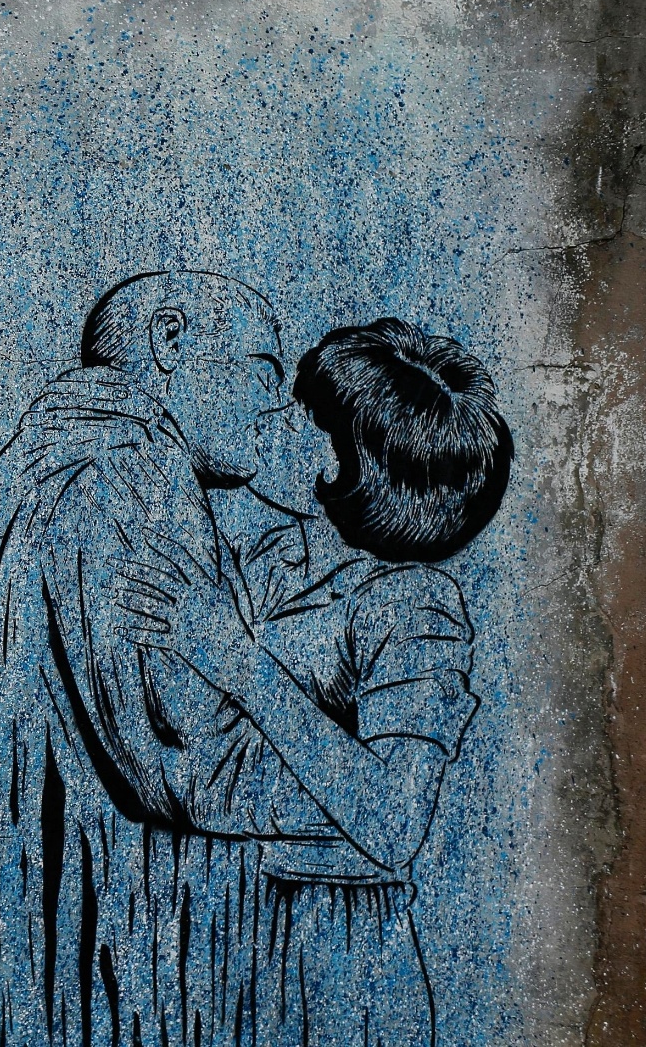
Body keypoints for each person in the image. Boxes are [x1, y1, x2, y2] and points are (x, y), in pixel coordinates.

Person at [0, 272, 326, 1047]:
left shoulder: (18, 474)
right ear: (170, 340)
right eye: (259, 370)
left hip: (39, 946)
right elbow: (187, 751)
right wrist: (358, 781)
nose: (272, 405)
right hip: (122, 960)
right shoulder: (130, 467)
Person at [111, 318, 513, 1046]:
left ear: (346, 465)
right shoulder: (271, 556)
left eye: (304, 411)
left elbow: (393, 823)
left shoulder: (413, 608)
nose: (272, 414)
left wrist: (237, 661)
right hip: (228, 928)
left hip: (336, 948)